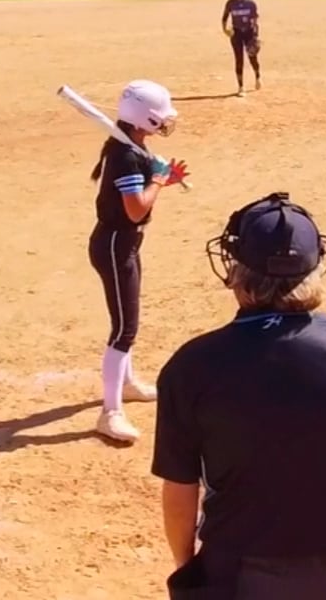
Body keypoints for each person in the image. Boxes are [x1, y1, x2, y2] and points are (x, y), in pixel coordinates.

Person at [153, 193, 326, 600]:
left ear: (236, 272)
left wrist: (189, 571)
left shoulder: (190, 365)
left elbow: (179, 497)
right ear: (315, 268)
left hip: (234, 575)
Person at [87, 80, 189, 444]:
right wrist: (159, 181)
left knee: (128, 322)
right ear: (145, 118)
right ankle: (110, 413)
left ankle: (127, 383)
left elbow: (135, 199)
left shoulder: (131, 147)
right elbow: (135, 210)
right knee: (124, 329)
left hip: (125, 244)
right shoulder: (126, 156)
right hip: (116, 245)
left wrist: (162, 180)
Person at [221, 0, 262, 96]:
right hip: (237, 33)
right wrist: (225, 30)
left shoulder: (251, 4)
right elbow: (224, 18)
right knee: (239, 59)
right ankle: (241, 87)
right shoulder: (230, 3)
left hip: (249, 33)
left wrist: (255, 36)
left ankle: (257, 76)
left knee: (253, 58)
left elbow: (255, 21)